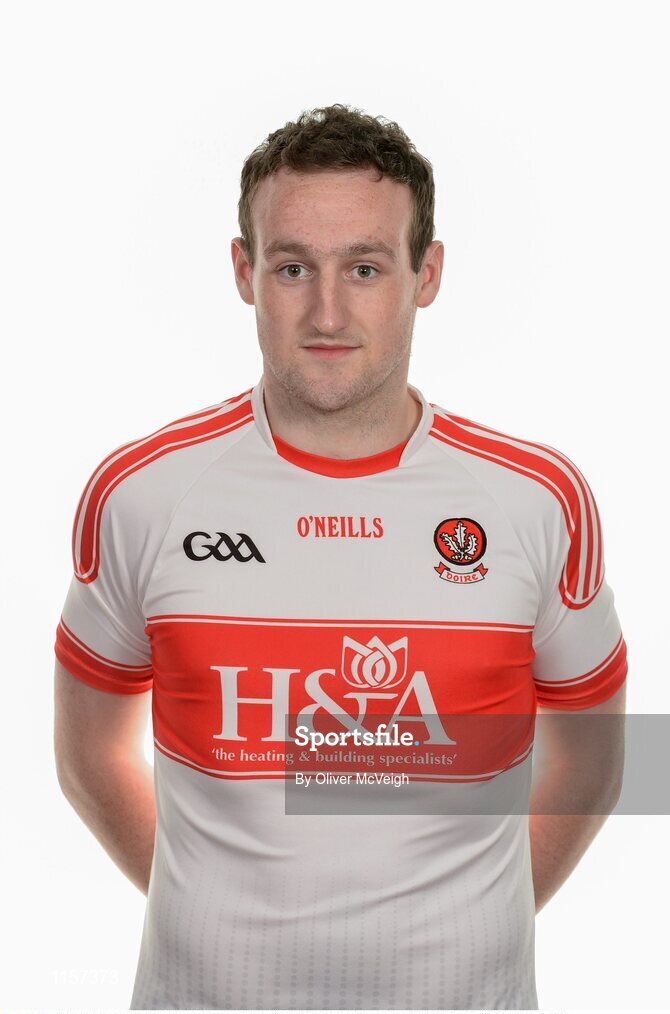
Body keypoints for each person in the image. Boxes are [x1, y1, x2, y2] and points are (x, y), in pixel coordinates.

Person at [53, 103, 628, 1011]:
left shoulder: (536, 502)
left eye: (365, 267)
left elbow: (593, 761)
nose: (327, 311)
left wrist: (482, 925)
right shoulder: (142, 494)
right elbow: (87, 752)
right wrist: (207, 908)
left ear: (425, 274)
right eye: (292, 268)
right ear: (244, 273)